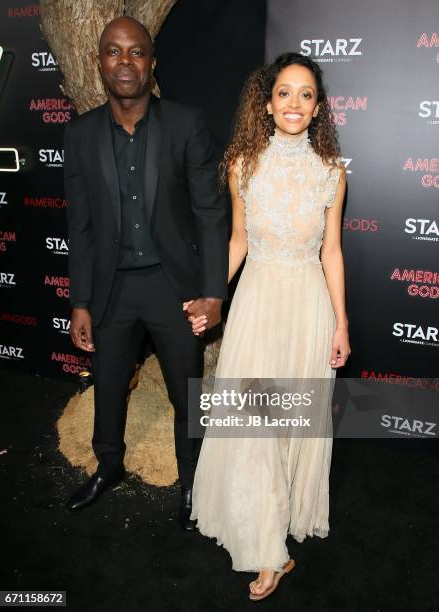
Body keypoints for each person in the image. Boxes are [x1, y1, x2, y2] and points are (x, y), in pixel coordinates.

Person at [188, 53, 350, 599]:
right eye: (285, 93)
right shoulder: (242, 164)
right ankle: (266, 548)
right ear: (267, 102)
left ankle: (272, 537)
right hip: (256, 302)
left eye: (306, 95)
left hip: (307, 308)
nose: (295, 104)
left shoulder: (332, 172)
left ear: (319, 108)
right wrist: (213, 297)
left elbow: (332, 251)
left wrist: (342, 323)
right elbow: (238, 240)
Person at [64, 16, 228, 530]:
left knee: (187, 392)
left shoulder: (185, 123)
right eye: (113, 52)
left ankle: (191, 482)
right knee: (108, 384)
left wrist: (213, 292)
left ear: (152, 64)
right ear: (99, 62)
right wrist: (80, 301)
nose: (125, 62)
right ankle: (107, 465)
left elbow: (210, 213)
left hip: (172, 288)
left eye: (136, 52)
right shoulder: (81, 133)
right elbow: (81, 227)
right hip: (112, 289)